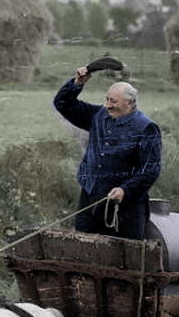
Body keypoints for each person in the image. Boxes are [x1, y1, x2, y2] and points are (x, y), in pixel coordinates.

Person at [53, 67, 162, 240]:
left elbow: (150, 169)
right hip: (89, 202)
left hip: (125, 209)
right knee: (80, 252)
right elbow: (62, 104)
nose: (108, 105)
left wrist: (125, 190)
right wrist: (77, 84)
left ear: (129, 104)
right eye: (107, 99)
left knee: (123, 259)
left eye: (113, 101)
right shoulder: (98, 115)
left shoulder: (146, 128)